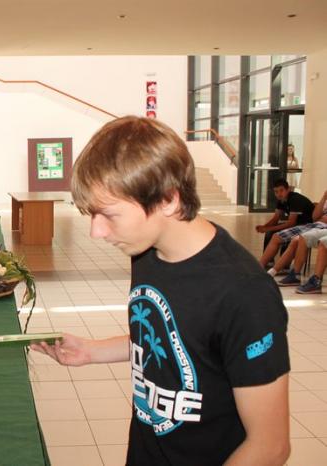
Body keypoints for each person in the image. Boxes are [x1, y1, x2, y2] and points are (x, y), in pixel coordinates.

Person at [31, 116, 290, 465]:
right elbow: (173, 339)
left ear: (168, 199)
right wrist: (92, 351)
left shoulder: (245, 294)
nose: (96, 232)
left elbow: (270, 447)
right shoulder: (146, 253)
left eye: (109, 215)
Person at [269, 189, 327, 283]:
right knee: (292, 239)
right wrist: (324, 197)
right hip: (316, 225)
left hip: (322, 227)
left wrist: (323, 218)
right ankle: (273, 272)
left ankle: (277, 273)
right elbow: (315, 217)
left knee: (297, 240)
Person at [257, 181, 319, 269]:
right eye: (276, 192)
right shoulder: (281, 200)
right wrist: (265, 227)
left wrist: (268, 228)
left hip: (307, 225)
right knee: (270, 232)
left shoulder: (295, 199)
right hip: (297, 224)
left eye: (281, 190)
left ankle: (284, 265)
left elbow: (291, 223)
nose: (279, 194)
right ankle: (268, 261)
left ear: (288, 190)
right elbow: (276, 218)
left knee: (285, 236)